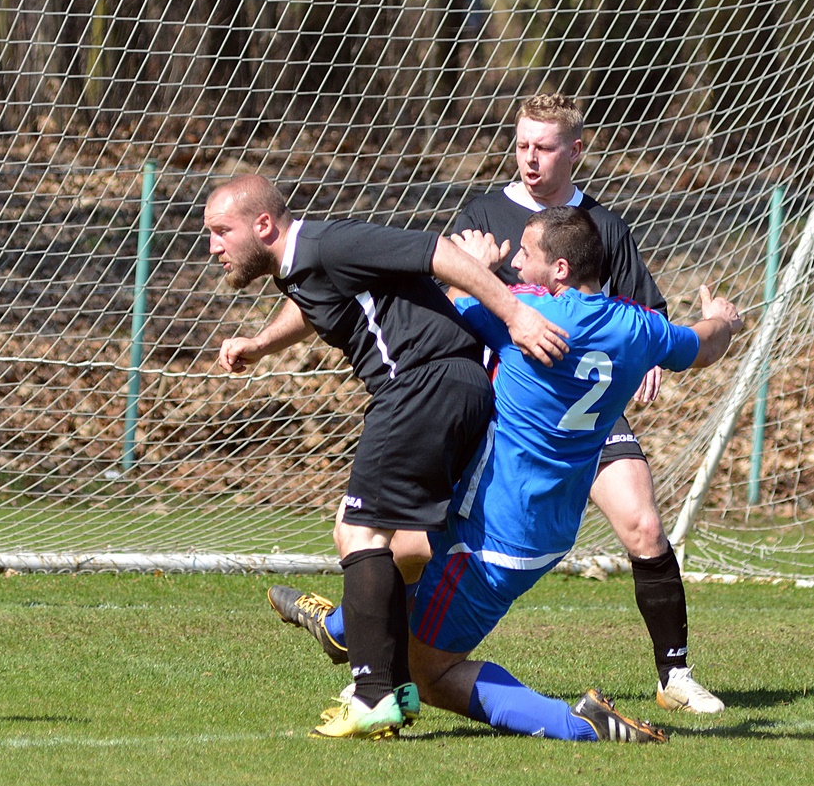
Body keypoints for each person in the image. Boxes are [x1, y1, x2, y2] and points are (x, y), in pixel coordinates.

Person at [281, 207, 743, 741]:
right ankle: (341, 629)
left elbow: (440, 315)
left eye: (526, 253)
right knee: (385, 545)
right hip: (541, 523)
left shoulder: (525, 317)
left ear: (561, 270)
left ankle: (578, 725)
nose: (515, 260)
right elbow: (704, 342)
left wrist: (473, 265)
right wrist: (724, 319)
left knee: (436, 671)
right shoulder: (638, 326)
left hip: (496, 531)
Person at [207, 174, 567, 739]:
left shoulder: (330, 243)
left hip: (420, 386)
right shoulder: (305, 268)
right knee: (400, 545)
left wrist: (515, 314)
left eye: (220, 231)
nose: (213, 247)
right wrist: (258, 345)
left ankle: (372, 693)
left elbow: (436, 252)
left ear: (262, 225)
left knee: (359, 534)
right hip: (443, 387)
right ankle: (390, 678)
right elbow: (313, 307)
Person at [448, 93, 722, 712]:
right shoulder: (485, 212)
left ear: (575, 150)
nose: (529, 158)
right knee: (437, 534)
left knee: (644, 523)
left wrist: (649, 353)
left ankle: (674, 677)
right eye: (521, 144)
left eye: (544, 147)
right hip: (509, 413)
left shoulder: (604, 226)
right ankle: (375, 643)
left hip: (593, 408)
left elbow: (645, 310)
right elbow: (452, 290)